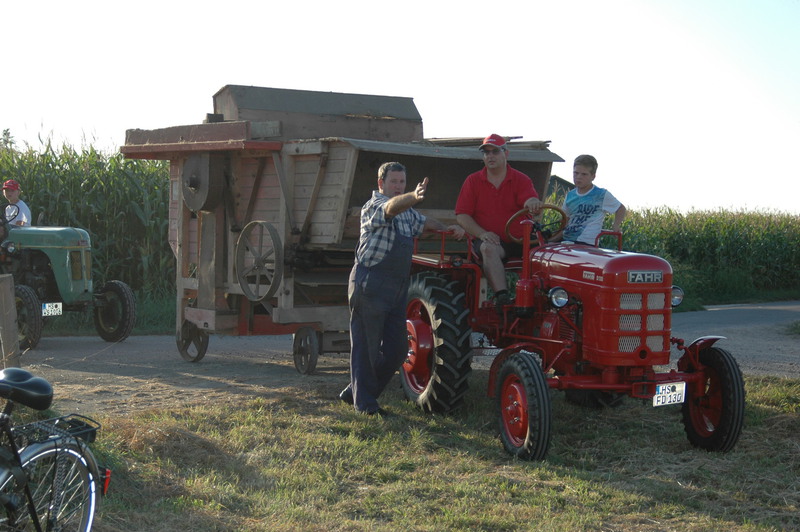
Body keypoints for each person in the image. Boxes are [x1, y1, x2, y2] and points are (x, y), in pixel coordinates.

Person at [340, 162, 464, 416]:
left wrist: (448, 228)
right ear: (381, 184)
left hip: (397, 288)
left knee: (398, 350)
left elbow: (424, 222)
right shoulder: (374, 206)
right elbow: (390, 208)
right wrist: (413, 196)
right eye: (394, 182)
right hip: (370, 283)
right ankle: (365, 405)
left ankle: (355, 391)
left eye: (402, 182)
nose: (398, 186)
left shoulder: (408, 213)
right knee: (366, 349)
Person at [454, 134, 541, 313]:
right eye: (486, 153)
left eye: (495, 151)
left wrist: (533, 203)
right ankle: (503, 299)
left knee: (552, 254)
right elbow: (462, 215)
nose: (490, 156)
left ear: (505, 153)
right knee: (488, 248)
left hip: (520, 241)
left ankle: (548, 300)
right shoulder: (473, 181)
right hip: (490, 240)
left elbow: (529, 199)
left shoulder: (521, 179)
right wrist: (482, 234)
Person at [559, 154, 626, 245]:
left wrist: (616, 225)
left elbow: (620, 208)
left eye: (584, 174)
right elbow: (565, 220)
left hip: (587, 243)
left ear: (593, 176)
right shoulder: (570, 195)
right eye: (576, 173)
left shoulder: (601, 194)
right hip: (567, 240)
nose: (578, 177)